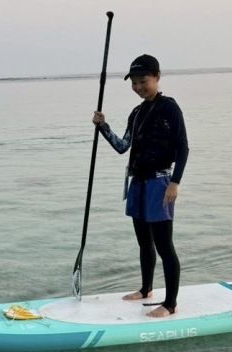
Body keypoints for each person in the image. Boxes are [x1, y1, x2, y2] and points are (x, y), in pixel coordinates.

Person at [92, 54, 189, 318]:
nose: (138, 87)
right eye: (134, 83)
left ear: (157, 77)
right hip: (137, 183)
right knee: (144, 243)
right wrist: (103, 126)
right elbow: (123, 146)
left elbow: (183, 148)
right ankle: (146, 289)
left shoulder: (170, 108)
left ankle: (170, 304)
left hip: (160, 182)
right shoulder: (136, 113)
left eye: (143, 81)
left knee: (164, 246)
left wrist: (175, 182)